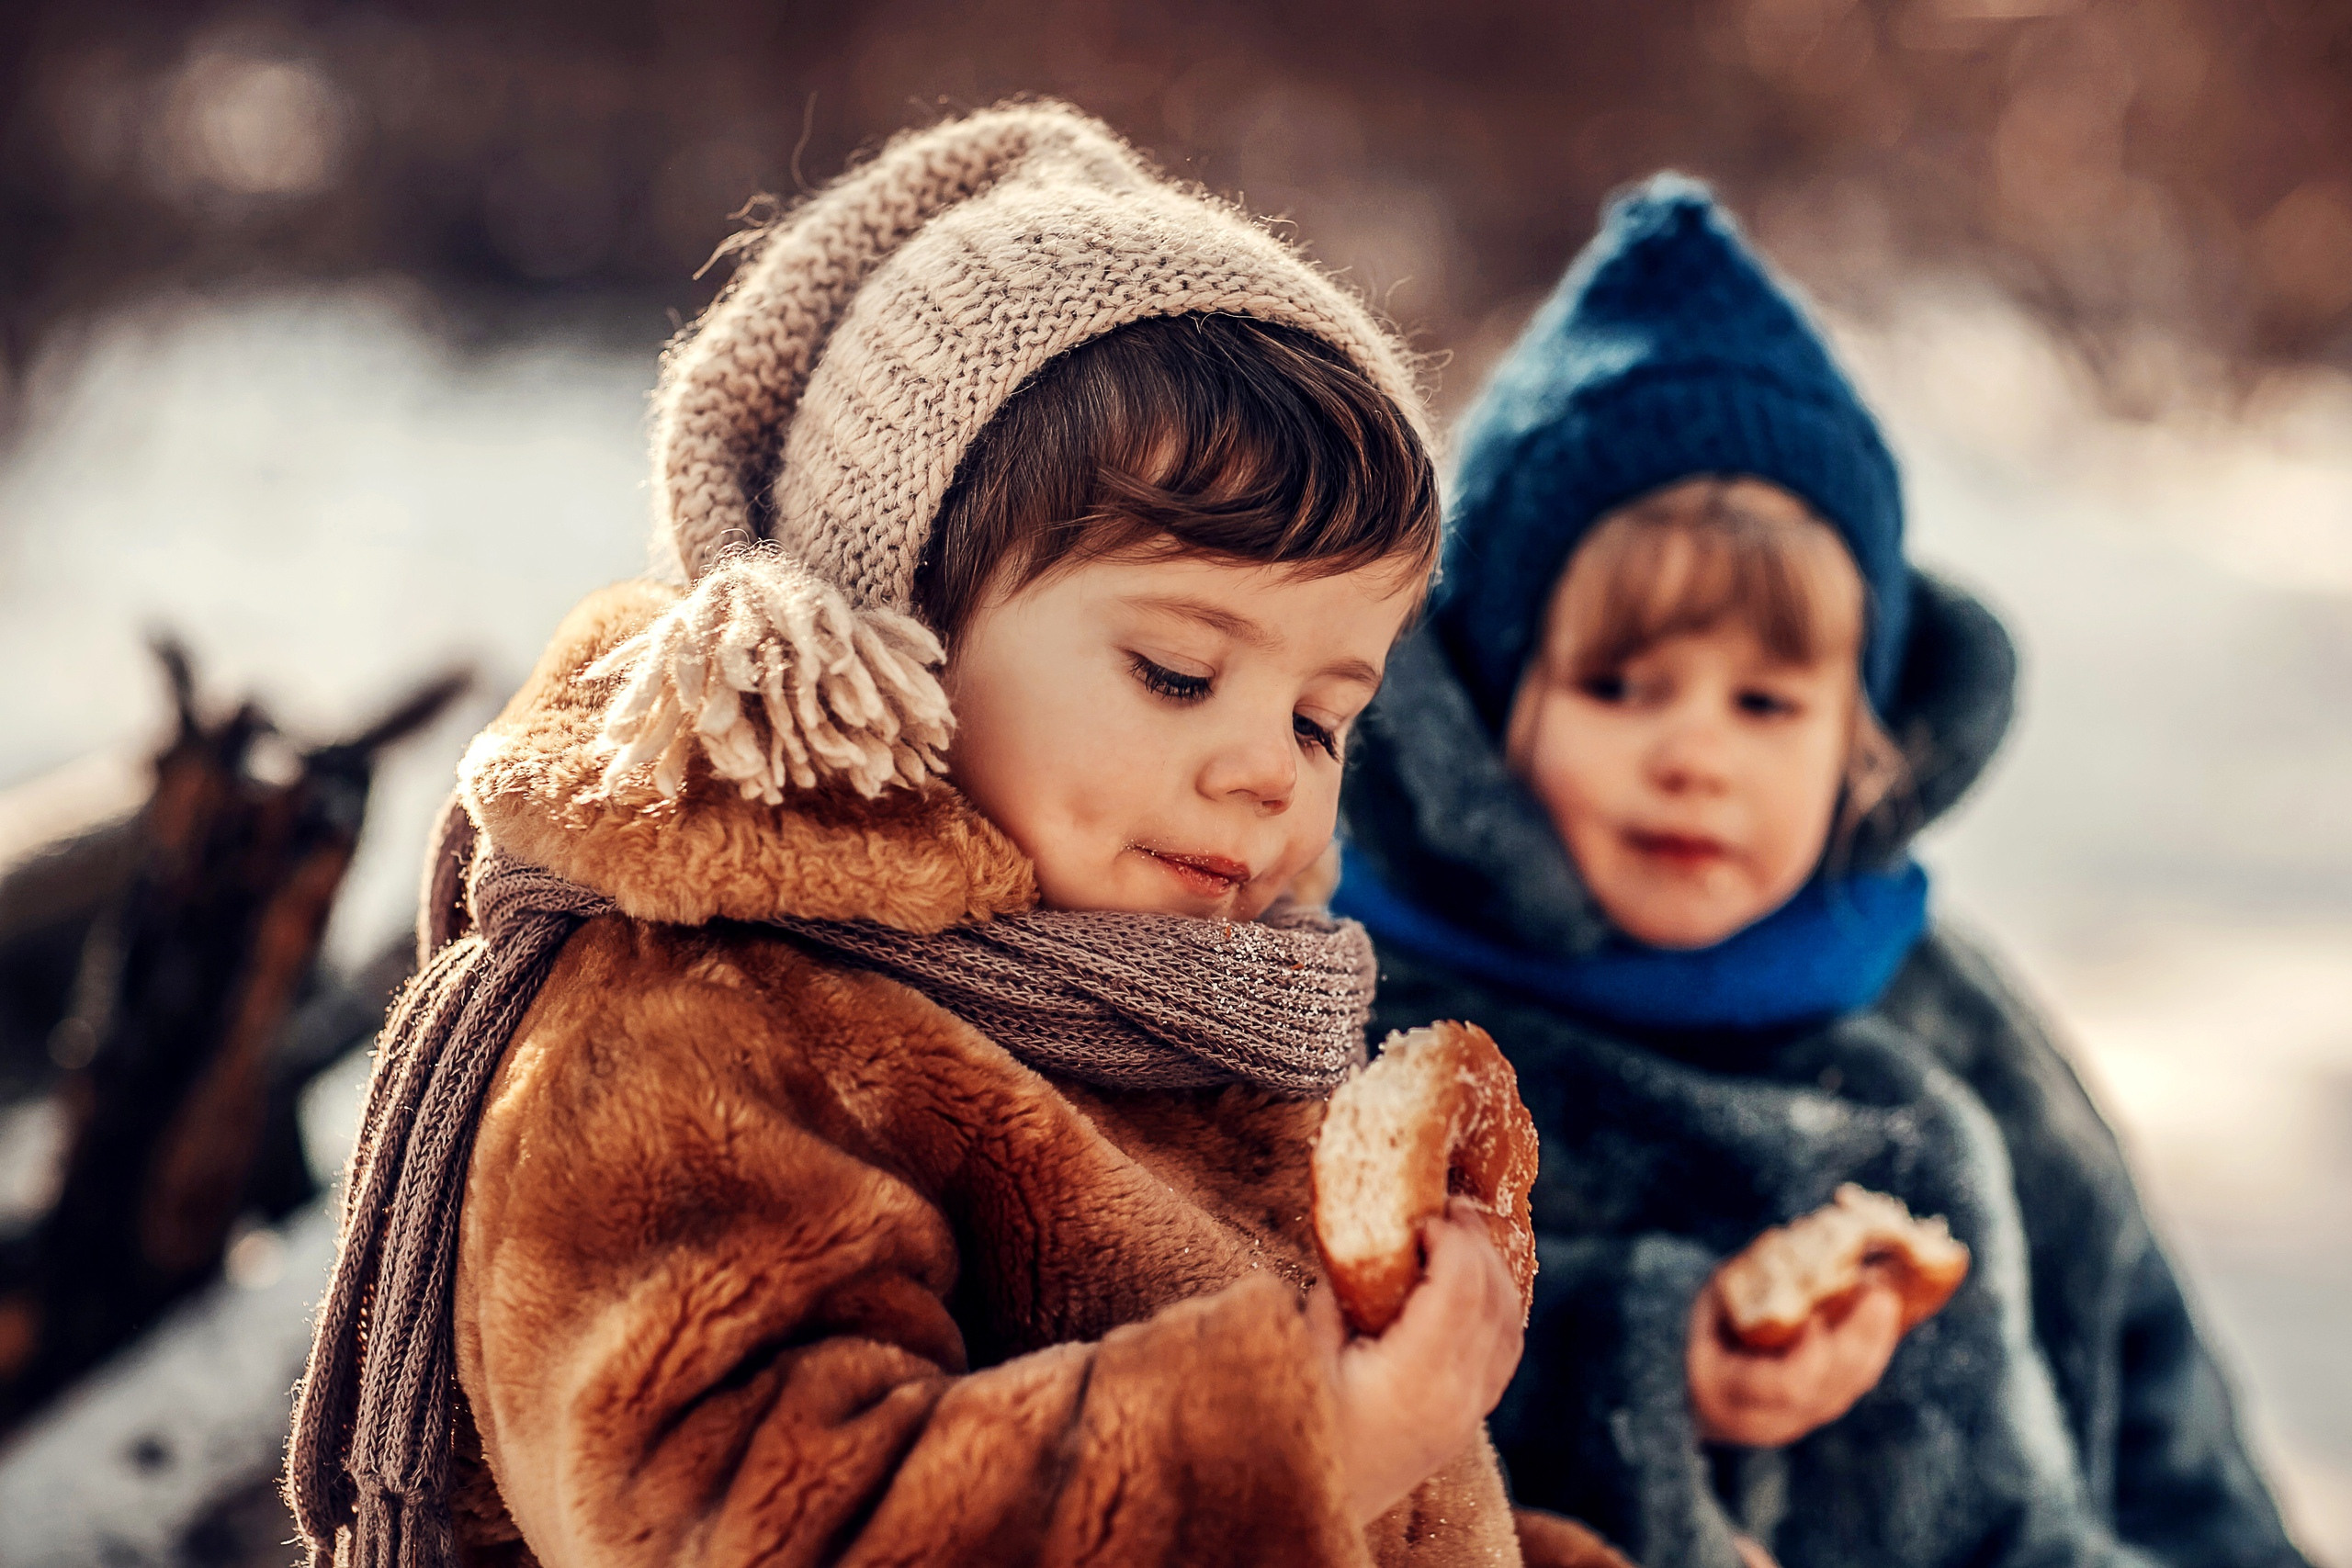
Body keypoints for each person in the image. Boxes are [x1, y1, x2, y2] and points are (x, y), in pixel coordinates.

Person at [285, 104, 1623, 1568]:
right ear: (890, 632)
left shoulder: (1167, 1022)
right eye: (1179, 672)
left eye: (1322, 717)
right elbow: (752, 1519)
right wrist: (1319, 1445)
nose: (1267, 772)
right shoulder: (703, 1032)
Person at [1336, 174, 2312, 1568]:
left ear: (1860, 743)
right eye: (1622, 686)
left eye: (1765, 705)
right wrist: (1645, 1358)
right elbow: (1303, 1356)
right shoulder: (1391, 1019)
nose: (1696, 758)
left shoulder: (1931, 1001)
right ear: (1493, 713)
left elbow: (2142, 1355)